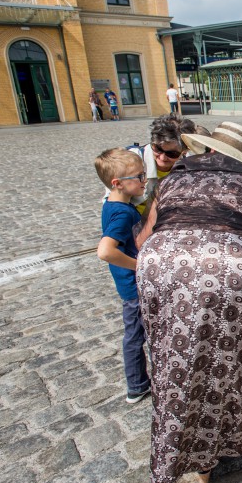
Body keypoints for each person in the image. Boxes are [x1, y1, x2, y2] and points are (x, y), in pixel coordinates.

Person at [135, 122, 242, 483]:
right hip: (227, 267)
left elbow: (144, 237)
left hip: (160, 264)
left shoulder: (174, 177)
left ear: (206, 150)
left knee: (177, 361)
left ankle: (200, 459)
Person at [94, 148, 152, 404]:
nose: (144, 180)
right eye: (138, 176)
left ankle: (139, 383)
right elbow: (106, 251)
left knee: (136, 333)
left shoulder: (115, 204)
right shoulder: (123, 213)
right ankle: (137, 385)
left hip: (130, 285)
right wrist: (138, 265)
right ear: (117, 183)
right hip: (135, 287)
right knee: (136, 335)